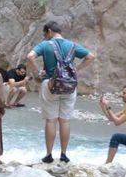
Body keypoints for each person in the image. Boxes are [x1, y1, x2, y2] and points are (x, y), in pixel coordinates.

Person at [26, 21, 96, 163]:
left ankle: (49, 155)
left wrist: (38, 71)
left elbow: (30, 56)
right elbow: (91, 56)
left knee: (51, 121)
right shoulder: (72, 45)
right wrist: (77, 69)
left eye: (45, 34)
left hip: (50, 84)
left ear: (50, 31)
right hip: (69, 86)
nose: (45, 37)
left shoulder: (45, 45)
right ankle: (64, 154)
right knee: (64, 121)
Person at [99, 84, 126, 163]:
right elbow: (111, 118)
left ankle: (108, 164)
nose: (122, 95)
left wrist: (108, 105)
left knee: (116, 137)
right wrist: (103, 106)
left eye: (124, 93)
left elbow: (117, 122)